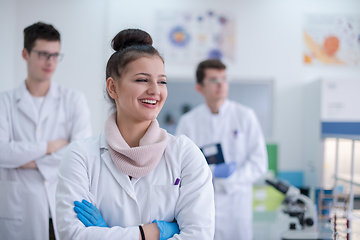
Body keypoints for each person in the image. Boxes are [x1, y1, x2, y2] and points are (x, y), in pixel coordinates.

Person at [56, 29, 215, 240]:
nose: (155, 90)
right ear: (113, 88)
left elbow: (199, 236)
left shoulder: (185, 154)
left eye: (162, 81)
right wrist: (151, 232)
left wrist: (104, 235)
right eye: (142, 80)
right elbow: (71, 234)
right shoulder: (81, 156)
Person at [0, 22, 92, 240]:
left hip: (62, 206)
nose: (50, 62)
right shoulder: (4, 102)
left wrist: (24, 160)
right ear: (25, 54)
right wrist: (50, 146)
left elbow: (80, 155)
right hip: (20, 210)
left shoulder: (74, 100)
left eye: (55, 55)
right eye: (43, 54)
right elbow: (2, 152)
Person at [175, 59, 268, 240]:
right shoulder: (189, 122)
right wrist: (211, 172)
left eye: (224, 79)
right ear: (199, 88)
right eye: (214, 80)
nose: (221, 85)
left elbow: (259, 163)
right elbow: (179, 165)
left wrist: (232, 180)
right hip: (199, 205)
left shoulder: (245, 116)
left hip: (236, 206)